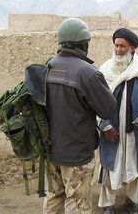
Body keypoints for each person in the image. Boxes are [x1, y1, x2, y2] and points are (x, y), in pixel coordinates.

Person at [43, 18, 117, 214]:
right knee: (77, 202)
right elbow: (108, 109)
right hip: (76, 155)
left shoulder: (47, 67)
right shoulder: (87, 73)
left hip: (51, 151)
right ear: (85, 44)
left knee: (54, 198)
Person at [97, 28, 138, 214]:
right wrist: (106, 125)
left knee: (134, 165)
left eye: (123, 46)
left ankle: (132, 201)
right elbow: (97, 100)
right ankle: (107, 204)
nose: (118, 49)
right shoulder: (105, 69)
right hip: (112, 131)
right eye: (116, 45)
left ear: (132, 48)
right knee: (111, 166)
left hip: (135, 131)